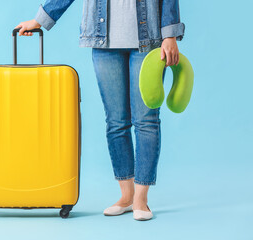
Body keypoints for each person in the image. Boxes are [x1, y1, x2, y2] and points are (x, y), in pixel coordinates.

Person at [15, 0, 184, 221]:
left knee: (146, 120)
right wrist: (40, 20)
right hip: (103, 42)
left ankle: (141, 200)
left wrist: (169, 35)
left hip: (148, 39)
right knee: (116, 122)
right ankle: (126, 196)